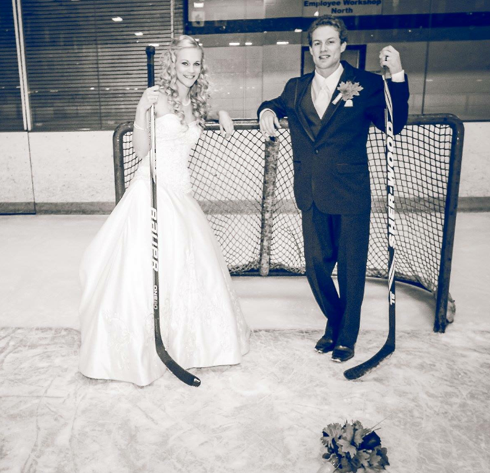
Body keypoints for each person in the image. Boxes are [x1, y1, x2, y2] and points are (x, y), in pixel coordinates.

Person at [79, 35, 250, 386]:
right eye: (184, 63)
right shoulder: (156, 98)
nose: (191, 70)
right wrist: (141, 109)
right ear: (172, 63)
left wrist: (221, 113)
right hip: (153, 191)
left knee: (190, 268)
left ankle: (189, 343)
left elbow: (195, 126)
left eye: (196, 63)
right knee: (146, 271)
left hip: (182, 196)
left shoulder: (197, 101)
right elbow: (143, 151)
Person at [258, 15, 409, 363]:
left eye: (330, 42)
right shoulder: (295, 87)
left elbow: (395, 122)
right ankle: (336, 320)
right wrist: (266, 109)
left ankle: (345, 336)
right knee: (315, 267)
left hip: (350, 191)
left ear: (343, 46)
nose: (323, 49)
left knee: (352, 268)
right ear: (310, 49)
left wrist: (397, 75)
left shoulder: (367, 83)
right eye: (317, 43)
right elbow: (275, 106)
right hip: (310, 191)